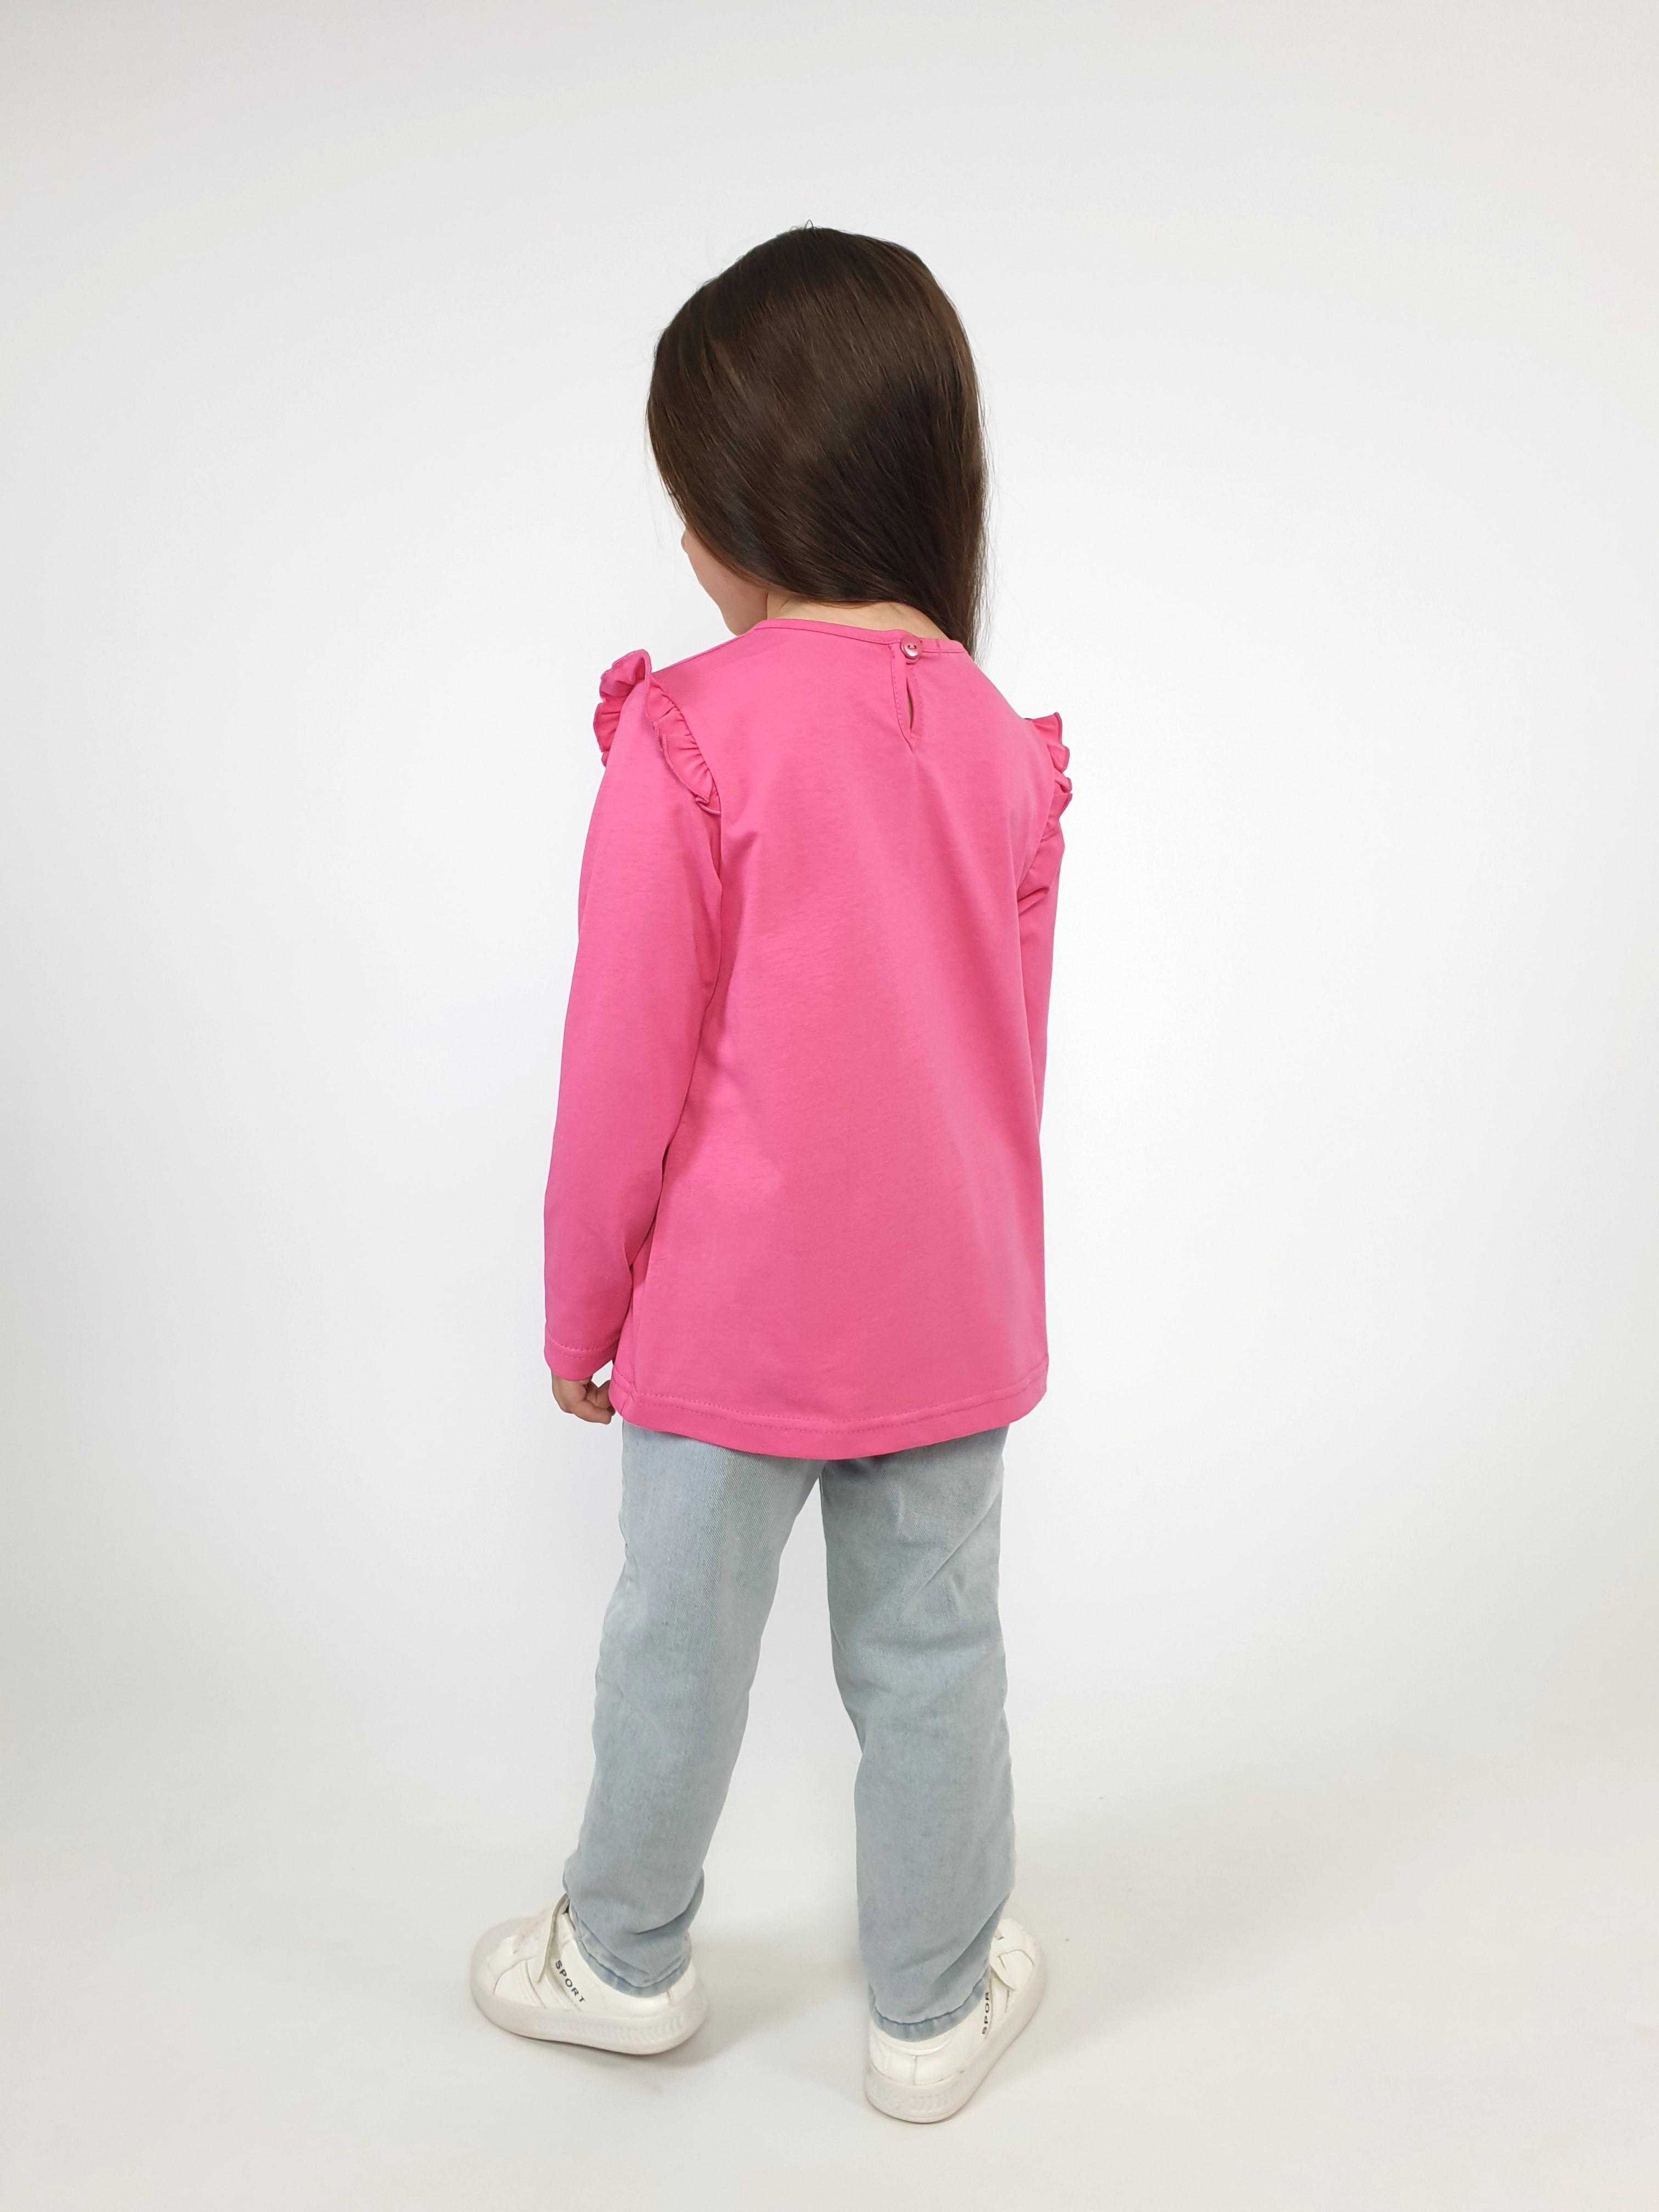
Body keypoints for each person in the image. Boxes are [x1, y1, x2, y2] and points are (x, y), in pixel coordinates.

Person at [470, 225, 1071, 2124]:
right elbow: (1005, 1064)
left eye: (687, 503)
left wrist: (585, 1309)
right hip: (951, 1313)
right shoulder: (1005, 749)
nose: (679, 542)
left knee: (677, 1644)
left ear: (754, 500)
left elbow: (622, 1063)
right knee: (937, 1656)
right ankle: (932, 2008)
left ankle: (623, 1959)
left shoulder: (693, 732)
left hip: (729, 1322)